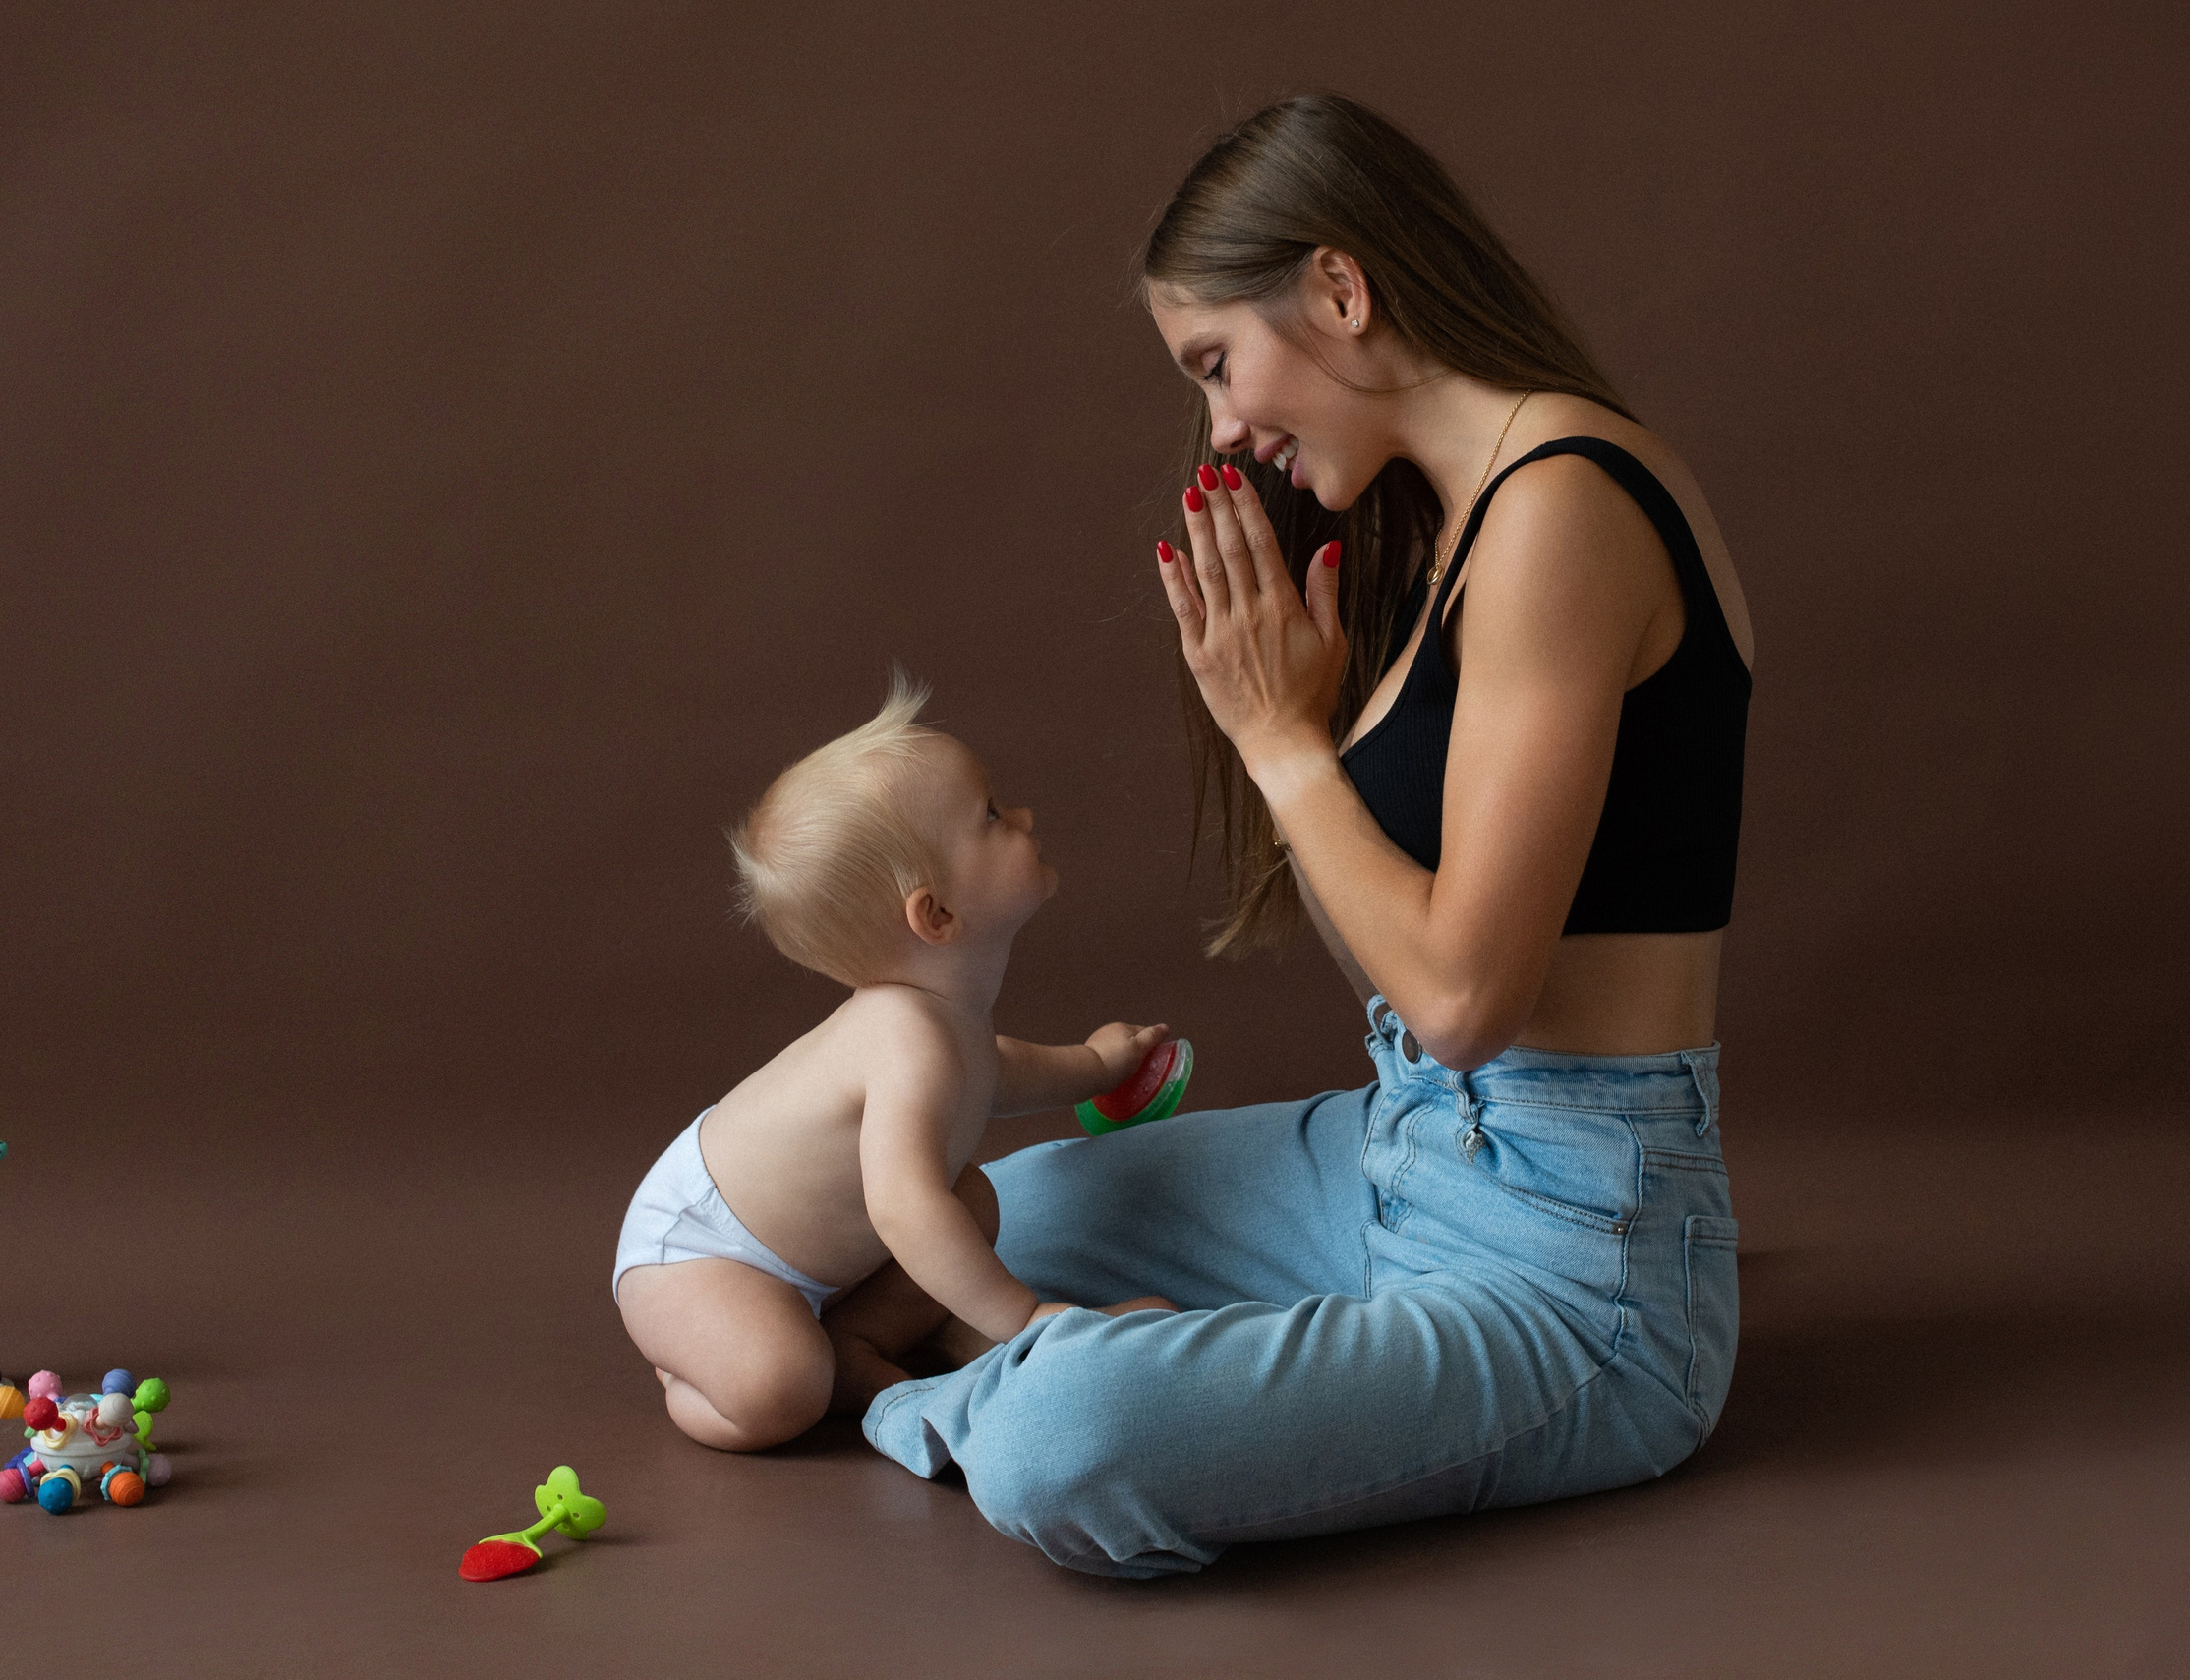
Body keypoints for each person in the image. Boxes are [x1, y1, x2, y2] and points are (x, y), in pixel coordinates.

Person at [856, 92, 1755, 1577]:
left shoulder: (1566, 509)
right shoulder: (1463, 523)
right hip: (1403, 1154)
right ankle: (1181, 1361)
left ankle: (993, 1396)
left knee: (1062, 1433)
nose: (1222, 428)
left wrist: (1282, 749)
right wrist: (1313, 737)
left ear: (1339, 289)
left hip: (1577, 1265)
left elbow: (1466, 1005)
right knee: (978, 1207)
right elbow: (1400, 996)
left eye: (1219, 363)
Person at [614, 674, 1174, 1451]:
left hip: (807, 1262)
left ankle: (853, 1347)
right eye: (991, 816)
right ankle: (695, 1377)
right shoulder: (905, 1036)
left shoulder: (941, 1023)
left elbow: (993, 1072)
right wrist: (1022, 1316)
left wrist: (1092, 1065)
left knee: (969, 1200)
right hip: (700, 1252)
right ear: (936, 913)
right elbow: (902, 1208)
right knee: (781, 1387)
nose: (1024, 817)